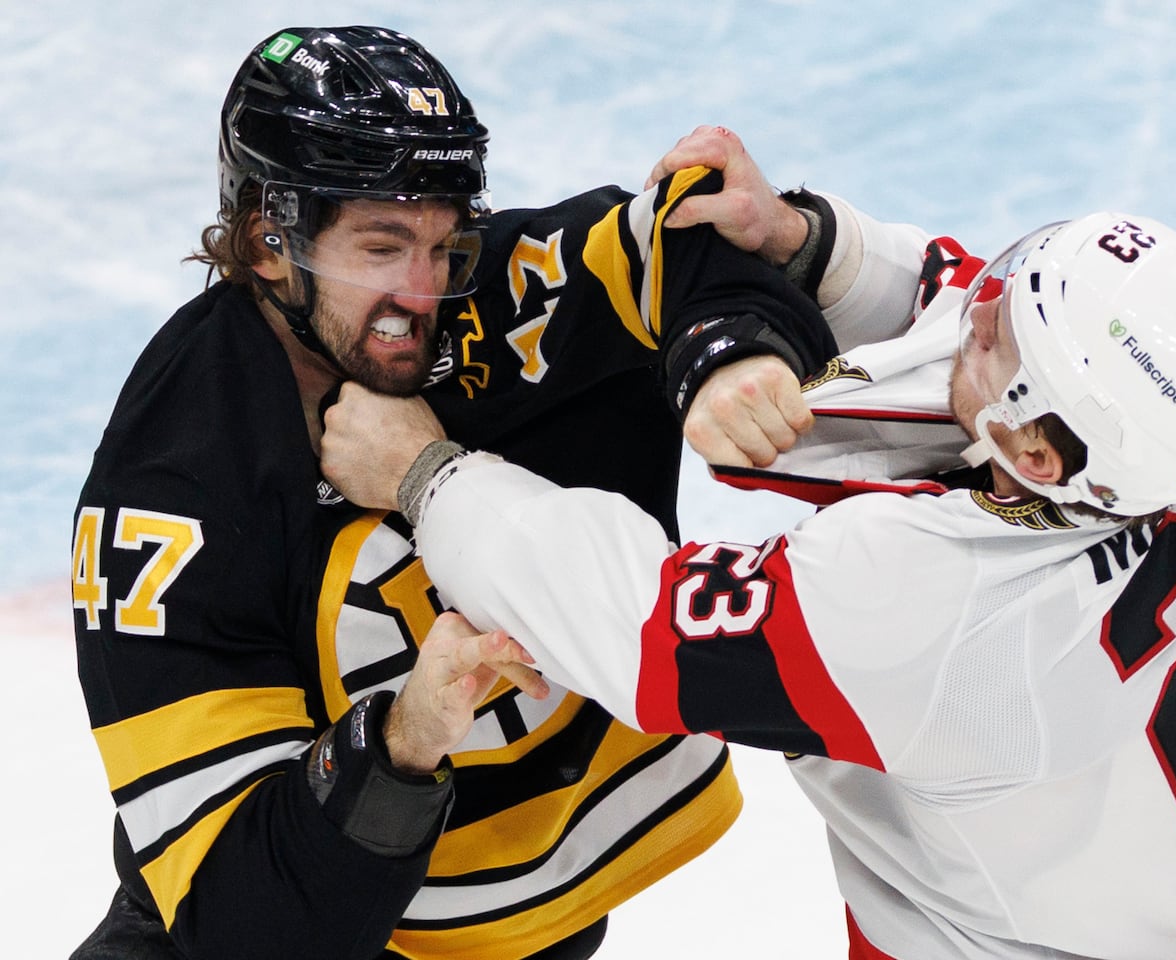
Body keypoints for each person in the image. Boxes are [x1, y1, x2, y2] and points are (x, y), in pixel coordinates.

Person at [349, 210, 1176, 958]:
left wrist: (426, 474)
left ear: (1040, 458)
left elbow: (634, 626)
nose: (975, 308)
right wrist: (810, 240)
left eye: (999, 332)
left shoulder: (941, 619)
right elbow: (974, 320)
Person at [68, 26, 912, 960]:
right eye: (383, 247)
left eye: (444, 247)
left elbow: (690, 234)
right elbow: (240, 919)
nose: (420, 298)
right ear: (270, 241)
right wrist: (402, 738)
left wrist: (729, 348)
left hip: (514, 907)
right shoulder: (170, 489)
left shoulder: (490, 296)